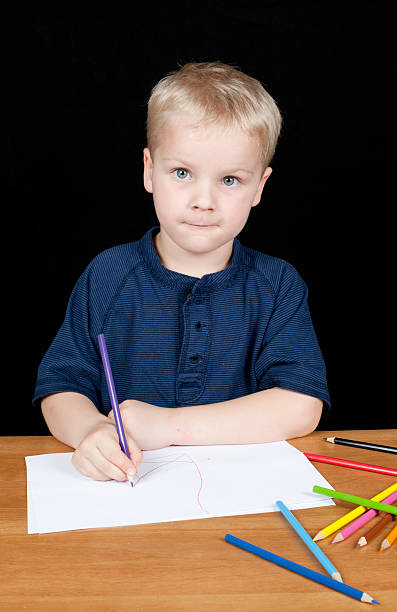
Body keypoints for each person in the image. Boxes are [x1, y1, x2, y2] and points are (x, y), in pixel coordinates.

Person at [33, 61, 330, 483]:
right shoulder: (107, 275)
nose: (203, 200)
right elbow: (60, 386)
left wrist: (172, 427)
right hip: (125, 497)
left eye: (229, 180)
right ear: (148, 170)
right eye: (182, 173)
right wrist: (92, 430)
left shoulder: (278, 284)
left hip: (240, 496)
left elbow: (302, 405)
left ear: (259, 187)